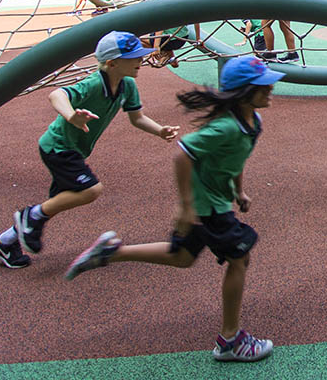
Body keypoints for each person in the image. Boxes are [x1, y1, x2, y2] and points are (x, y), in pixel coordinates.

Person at [66, 56, 284, 361]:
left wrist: (238, 190)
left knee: (181, 256)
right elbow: (183, 153)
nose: (271, 89)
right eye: (263, 86)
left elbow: (235, 159)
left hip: (214, 202)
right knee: (240, 257)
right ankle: (230, 340)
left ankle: (112, 252)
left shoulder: (251, 122)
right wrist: (185, 207)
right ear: (243, 92)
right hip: (207, 207)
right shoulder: (225, 127)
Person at [0, 31, 180, 269]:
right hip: (58, 146)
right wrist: (71, 116)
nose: (141, 60)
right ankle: (30, 215)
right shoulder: (94, 83)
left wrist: (160, 130)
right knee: (90, 190)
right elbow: (56, 94)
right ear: (112, 63)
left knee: (60, 200)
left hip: (75, 149)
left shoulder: (128, 84)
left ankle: (5, 243)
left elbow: (137, 118)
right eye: (135, 57)